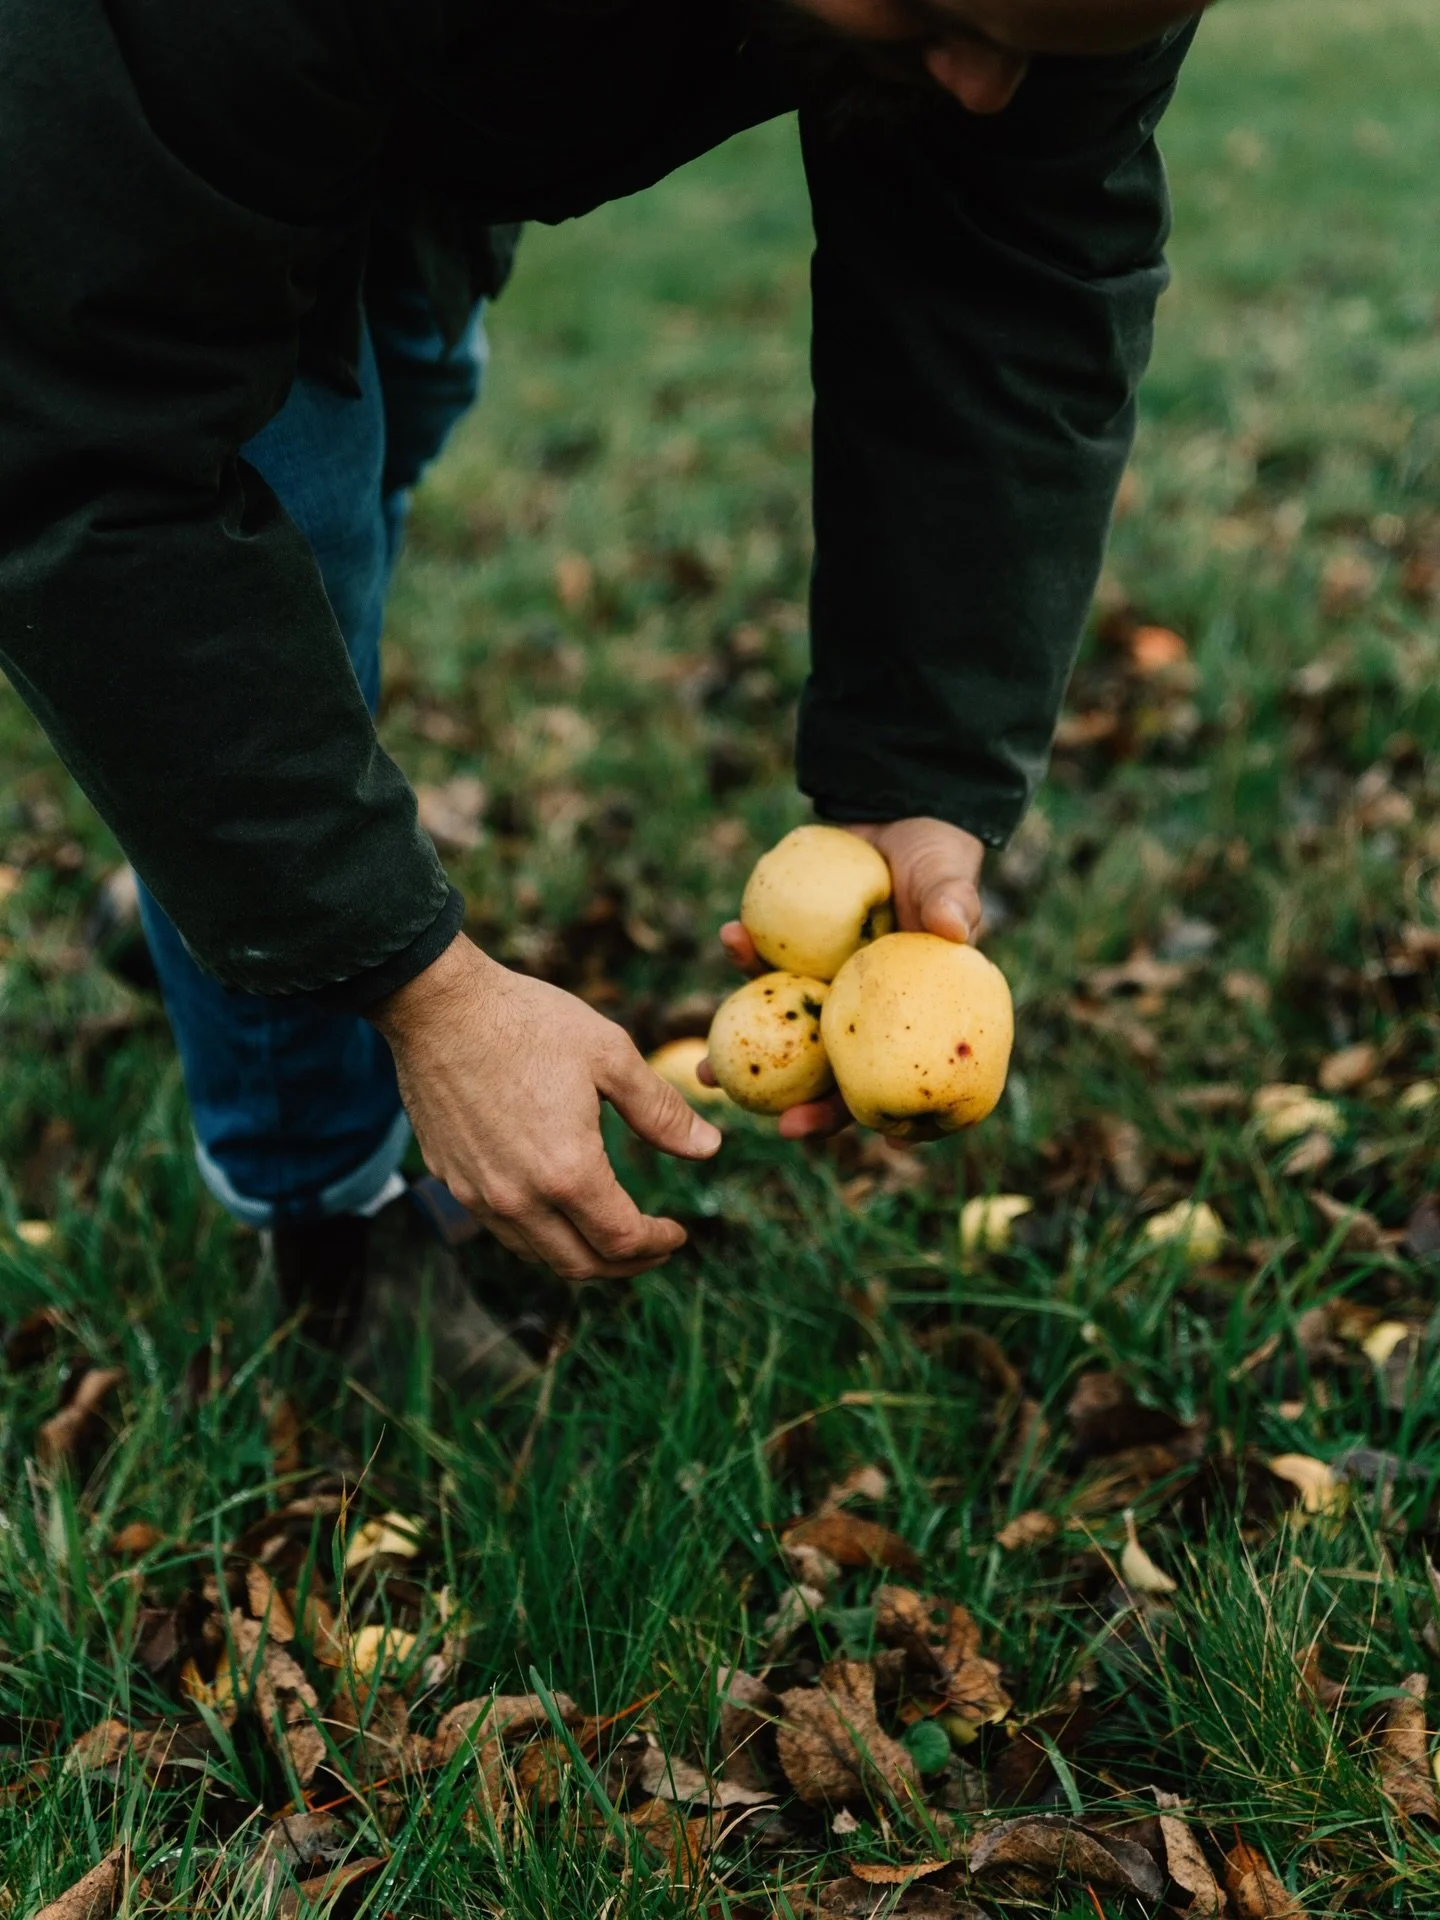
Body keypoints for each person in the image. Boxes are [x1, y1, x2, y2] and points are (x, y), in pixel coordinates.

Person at [0, 0, 1210, 1359]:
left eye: (1041, 46)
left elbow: (1011, 281)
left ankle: (215, 878)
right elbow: (91, 455)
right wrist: (414, 982)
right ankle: (328, 1214)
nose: (990, 88)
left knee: (406, 381)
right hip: (140, 98)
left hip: (384, 80)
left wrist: (923, 774)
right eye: (938, 12)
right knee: (289, 504)